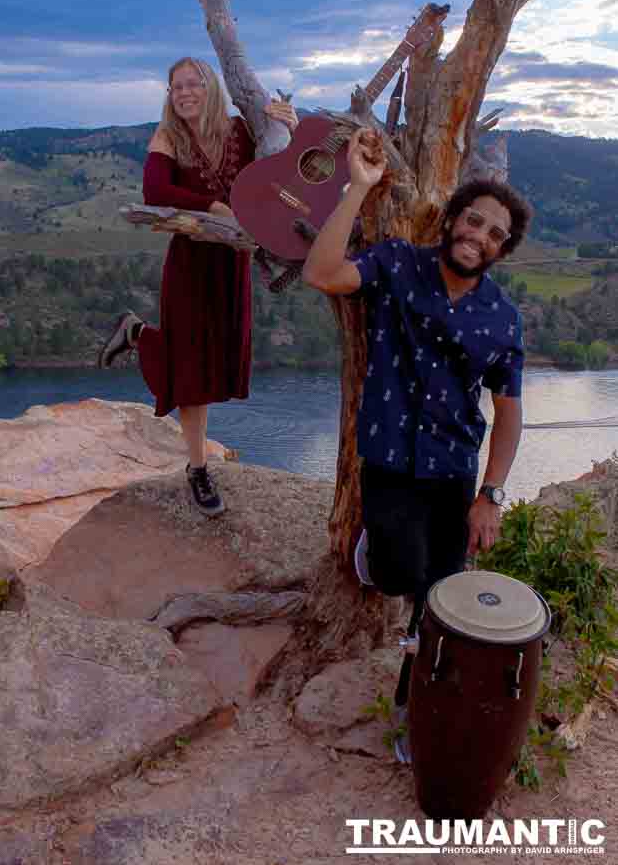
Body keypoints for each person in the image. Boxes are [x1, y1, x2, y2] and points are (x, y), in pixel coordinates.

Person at [302, 128, 532, 762]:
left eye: (494, 233)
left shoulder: (502, 319)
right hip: (387, 458)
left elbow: (509, 414)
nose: (479, 235)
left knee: (439, 603)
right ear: (453, 219)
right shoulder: (398, 264)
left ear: (501, 248)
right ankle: (378, 553)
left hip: (453, 470)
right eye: (473, 220)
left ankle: (415, 708)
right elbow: (320, 271)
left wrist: (491, 495)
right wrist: (357, 187)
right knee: (399, 571)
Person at [98, 57, 297, 516]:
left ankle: (135, 334)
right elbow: (155, 191)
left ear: (211, 89)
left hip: (233, 264)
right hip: (190, 262)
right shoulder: (168, 137)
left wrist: (289, 123)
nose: (184, 93)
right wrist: (211, 205)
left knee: (218, 358)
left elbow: (280, 171)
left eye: (193, 84)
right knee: (192, 372)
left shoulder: (241, 131)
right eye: (176, 86)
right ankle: (198, 469)